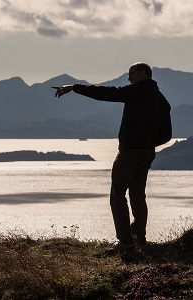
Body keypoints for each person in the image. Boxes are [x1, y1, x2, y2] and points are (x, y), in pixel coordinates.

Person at [54, 62, 172, 248]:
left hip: (129, 152)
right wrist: (148, 143)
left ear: (143, 73)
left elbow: (108, 93)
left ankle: (125, 241)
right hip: (147, 153)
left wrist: (75, 88)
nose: (129, 78)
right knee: (138, 195)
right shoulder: (162, 100)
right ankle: (139, 237)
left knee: (117, 195)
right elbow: (167, 135)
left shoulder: (136, 91)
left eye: (131, 74)